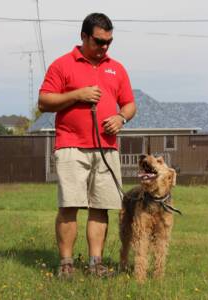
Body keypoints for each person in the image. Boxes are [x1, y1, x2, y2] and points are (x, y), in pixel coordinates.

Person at [38, 12, 136, 277]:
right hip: (71, 146)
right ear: (83, 36)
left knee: (100, 207)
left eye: (109, 42)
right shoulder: (62, 65)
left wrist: (121, 117)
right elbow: (44, 101)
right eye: (99, 41)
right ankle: (66, 266)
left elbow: (129, 104)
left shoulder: (117, 68)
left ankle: (96, 265)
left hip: (106, 149)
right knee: (69, 206)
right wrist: (77, 95)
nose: (104, 47)